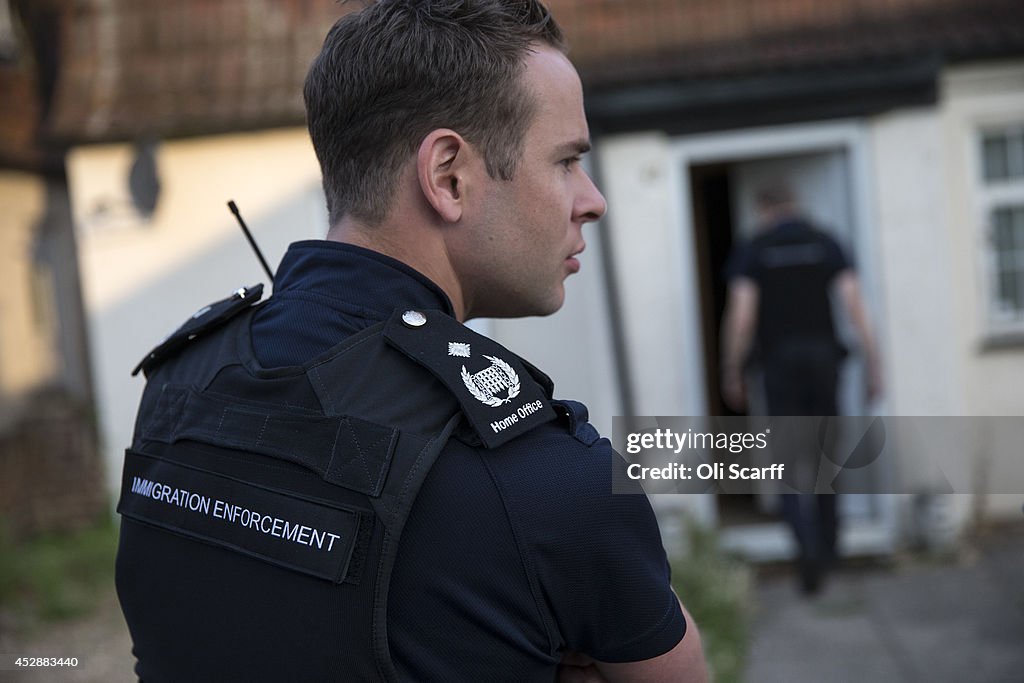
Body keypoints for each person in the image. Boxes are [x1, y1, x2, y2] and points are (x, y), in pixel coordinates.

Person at [114, 1, 707, 681]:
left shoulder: (180, 382)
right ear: (448, 176)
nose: (593, 199)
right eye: (567, 161)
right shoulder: (548, 480)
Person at [720, 181, 881, 594]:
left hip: (779, 366)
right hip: (825, 362)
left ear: (763, 209)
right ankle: (829, 548)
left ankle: (806, 549)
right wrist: (874, 364)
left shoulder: (754, 249)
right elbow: (854, 305)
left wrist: (731, 369)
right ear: (795, 204)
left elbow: (742, 316)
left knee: (788, 462)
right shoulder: (825, 243)